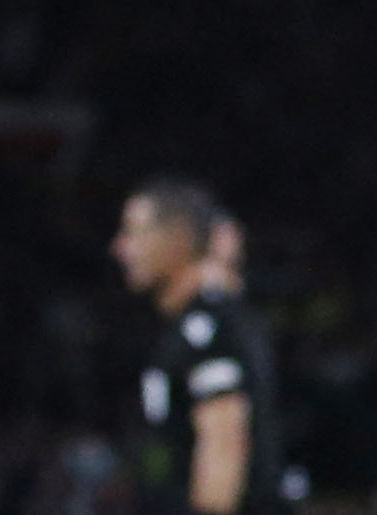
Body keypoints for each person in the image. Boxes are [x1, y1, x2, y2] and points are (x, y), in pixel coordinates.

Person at [110, 179, 282, 515]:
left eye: (134, 233)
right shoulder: (192, 325)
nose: (120, 247)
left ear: (179, 239)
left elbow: (223, 445)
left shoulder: (209, 327)